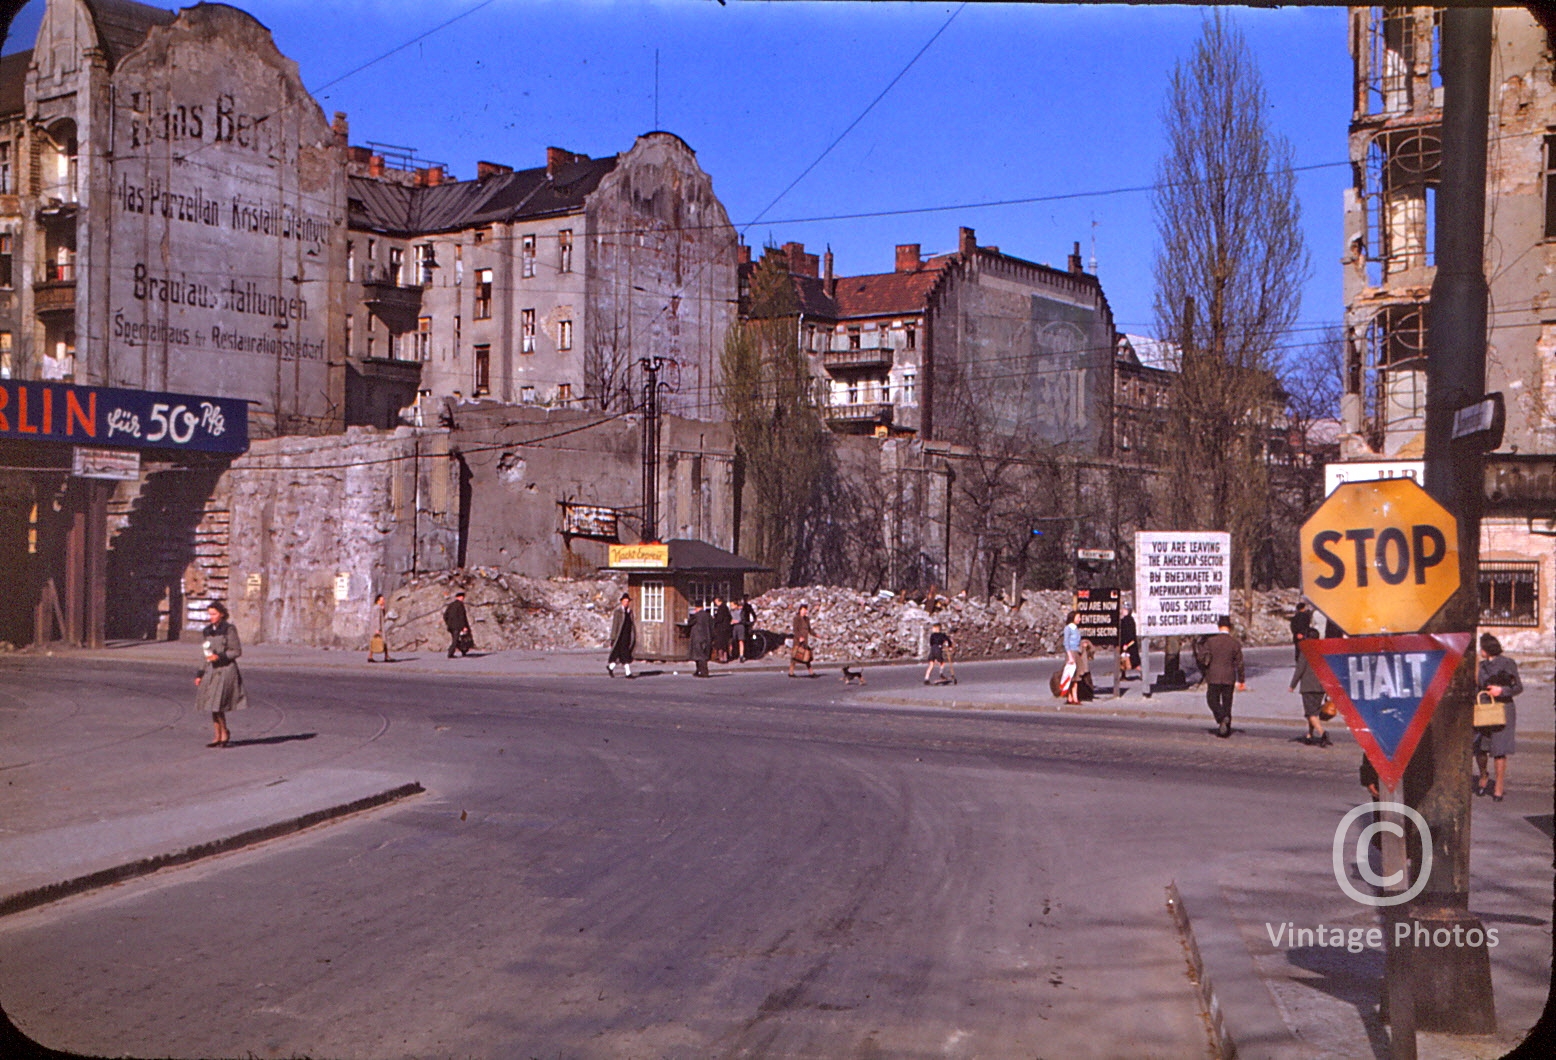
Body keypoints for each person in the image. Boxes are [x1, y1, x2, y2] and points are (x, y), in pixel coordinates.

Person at [1474, 633, 1521, 802]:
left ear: (1487, 649)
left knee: (1500, 751)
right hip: (1484, 708)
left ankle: (1499, 786)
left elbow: (1518, 687)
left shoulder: (1508, 663)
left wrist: (1502, 691)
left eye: (1482, 648)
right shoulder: (1480, 665)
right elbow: (1476, 684)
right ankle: (1483, 775)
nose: (1480, 651)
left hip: (1502, 709)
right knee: (1480, 748)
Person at [195, 602, 247, 748]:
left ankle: (224, 734)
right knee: (211, 704)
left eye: (214, 614)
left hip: (225, 670)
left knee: (217, 704)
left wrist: (219, 656)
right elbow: (204, 654)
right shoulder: (207, 631)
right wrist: (200, 673)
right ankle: (218, 735)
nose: (211, 617)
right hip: (211, 670)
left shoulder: (229, 629)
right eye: (209, 614)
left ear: (221, 614)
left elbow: (236, 651)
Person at [1194, 615, 1246, 738]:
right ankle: (1226, 729)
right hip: (1229, 676)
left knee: (1212, 699)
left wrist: (1206, 664)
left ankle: (1222, 717)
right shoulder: (1234, 643)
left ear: (1218, 627)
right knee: (1227, 702)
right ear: (1230, 628)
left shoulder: (1211, 641)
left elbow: (1201, 657)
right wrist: (1242, 680)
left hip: (1214, 675)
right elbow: (1239, 663)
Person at [1289, 629, 1330, 746]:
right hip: (1321, 687)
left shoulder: (1306, 651)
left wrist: (1292, 685)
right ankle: (1310, 734)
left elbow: (1300, 669)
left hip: (1308, 686)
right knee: (1314, 712)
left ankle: (1322, 733)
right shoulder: (1323, 652)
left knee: (1310, 714)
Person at [607, 593, 635, 678]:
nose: (626, 603)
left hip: (627, 637)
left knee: (621, 655)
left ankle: (610, 667)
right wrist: (613, 638)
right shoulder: (618, 612)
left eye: (627, 601)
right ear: (621, 602)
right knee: (623, 655)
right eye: (625, 601)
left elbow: (632, 625)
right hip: (620, 637)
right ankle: (628, 673)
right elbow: (615, 625)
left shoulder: (630, 612)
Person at [1062, 611, 1083, 704]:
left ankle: (1072, 697)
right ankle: (1072, 697)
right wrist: (1070, 656)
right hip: (1071, 653)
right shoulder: (1068, 628)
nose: (1080, 619)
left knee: (1076, 676)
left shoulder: (1076, 628)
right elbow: (1066, 642)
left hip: (1076, 652)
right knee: (1071, 675)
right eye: (1078, 617)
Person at [688, 601, 713, 678]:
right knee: (703, 654)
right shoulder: (708, 615)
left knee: (699, 655)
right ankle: (699, 670)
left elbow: (689, 623)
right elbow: (712, 626)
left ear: (696, 607)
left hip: (697, 637)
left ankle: (704, 672)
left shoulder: (696, 616)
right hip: (707, 636)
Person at [789, 603, 814, 678]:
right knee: (795, 657)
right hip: (798, 641)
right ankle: (791, 672)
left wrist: (816, 635)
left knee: (807, 656)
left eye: (805, 610)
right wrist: (799, 637)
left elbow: (809, 630)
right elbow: (795, 630)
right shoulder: (796, 618)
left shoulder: (807, 619)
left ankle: (811, 672)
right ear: (800, 610)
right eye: (803, 610)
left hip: (805, 641)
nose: (804, 611)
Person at [443, 591, 472, 658]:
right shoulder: (460, 605)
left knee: (456, 639)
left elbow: (445, 616)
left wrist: (448, 623)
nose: (463, 598)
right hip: (458, 626)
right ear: (460, 597)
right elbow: (462, 617)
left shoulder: (451, 605)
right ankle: (450, 653)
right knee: (455, 640)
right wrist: (464, 626)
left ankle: (463, 650)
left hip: (451, 626)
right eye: (462, 597)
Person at [368, 593, 393, 663]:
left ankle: (371, 656)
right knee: (382, 641)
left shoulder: (375, 607)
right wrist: (378, 629)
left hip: (374, 627)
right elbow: (377, 619)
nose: (384, 601)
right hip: (379, 627)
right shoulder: (378, 608)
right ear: (378, 600)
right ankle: (386, 656)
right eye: (382, 600)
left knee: (374, 642)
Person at [1118, 605, 1140, 678]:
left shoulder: (1129, 621)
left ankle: (1143, 674)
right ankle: (1123, 675)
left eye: (1124, 610)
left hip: (1129, 643)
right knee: (1122, 660)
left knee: (1133, 662)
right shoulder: (1124, 620)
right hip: (1124, 643)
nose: (1122, 611)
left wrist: (1127, 644)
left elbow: (1130, 634)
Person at [733, 597, 755, 661]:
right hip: (745, 624)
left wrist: (751, 622)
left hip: (744, 624)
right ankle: (742, 654)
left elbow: (752, 615)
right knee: (742, 640)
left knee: (743, 640)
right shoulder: (743, 608)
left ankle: (743, 654)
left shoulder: (746, 607)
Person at [712, 596, 732, 663]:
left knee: (720, 644)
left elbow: (719, 619)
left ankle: (721, 658)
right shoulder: (726, 607)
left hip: (721, 629)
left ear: (718, 600)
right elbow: (729, 617)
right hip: (726, 628)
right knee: (725, 644)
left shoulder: (721, 608)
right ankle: (725, 658)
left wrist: (714, 619)